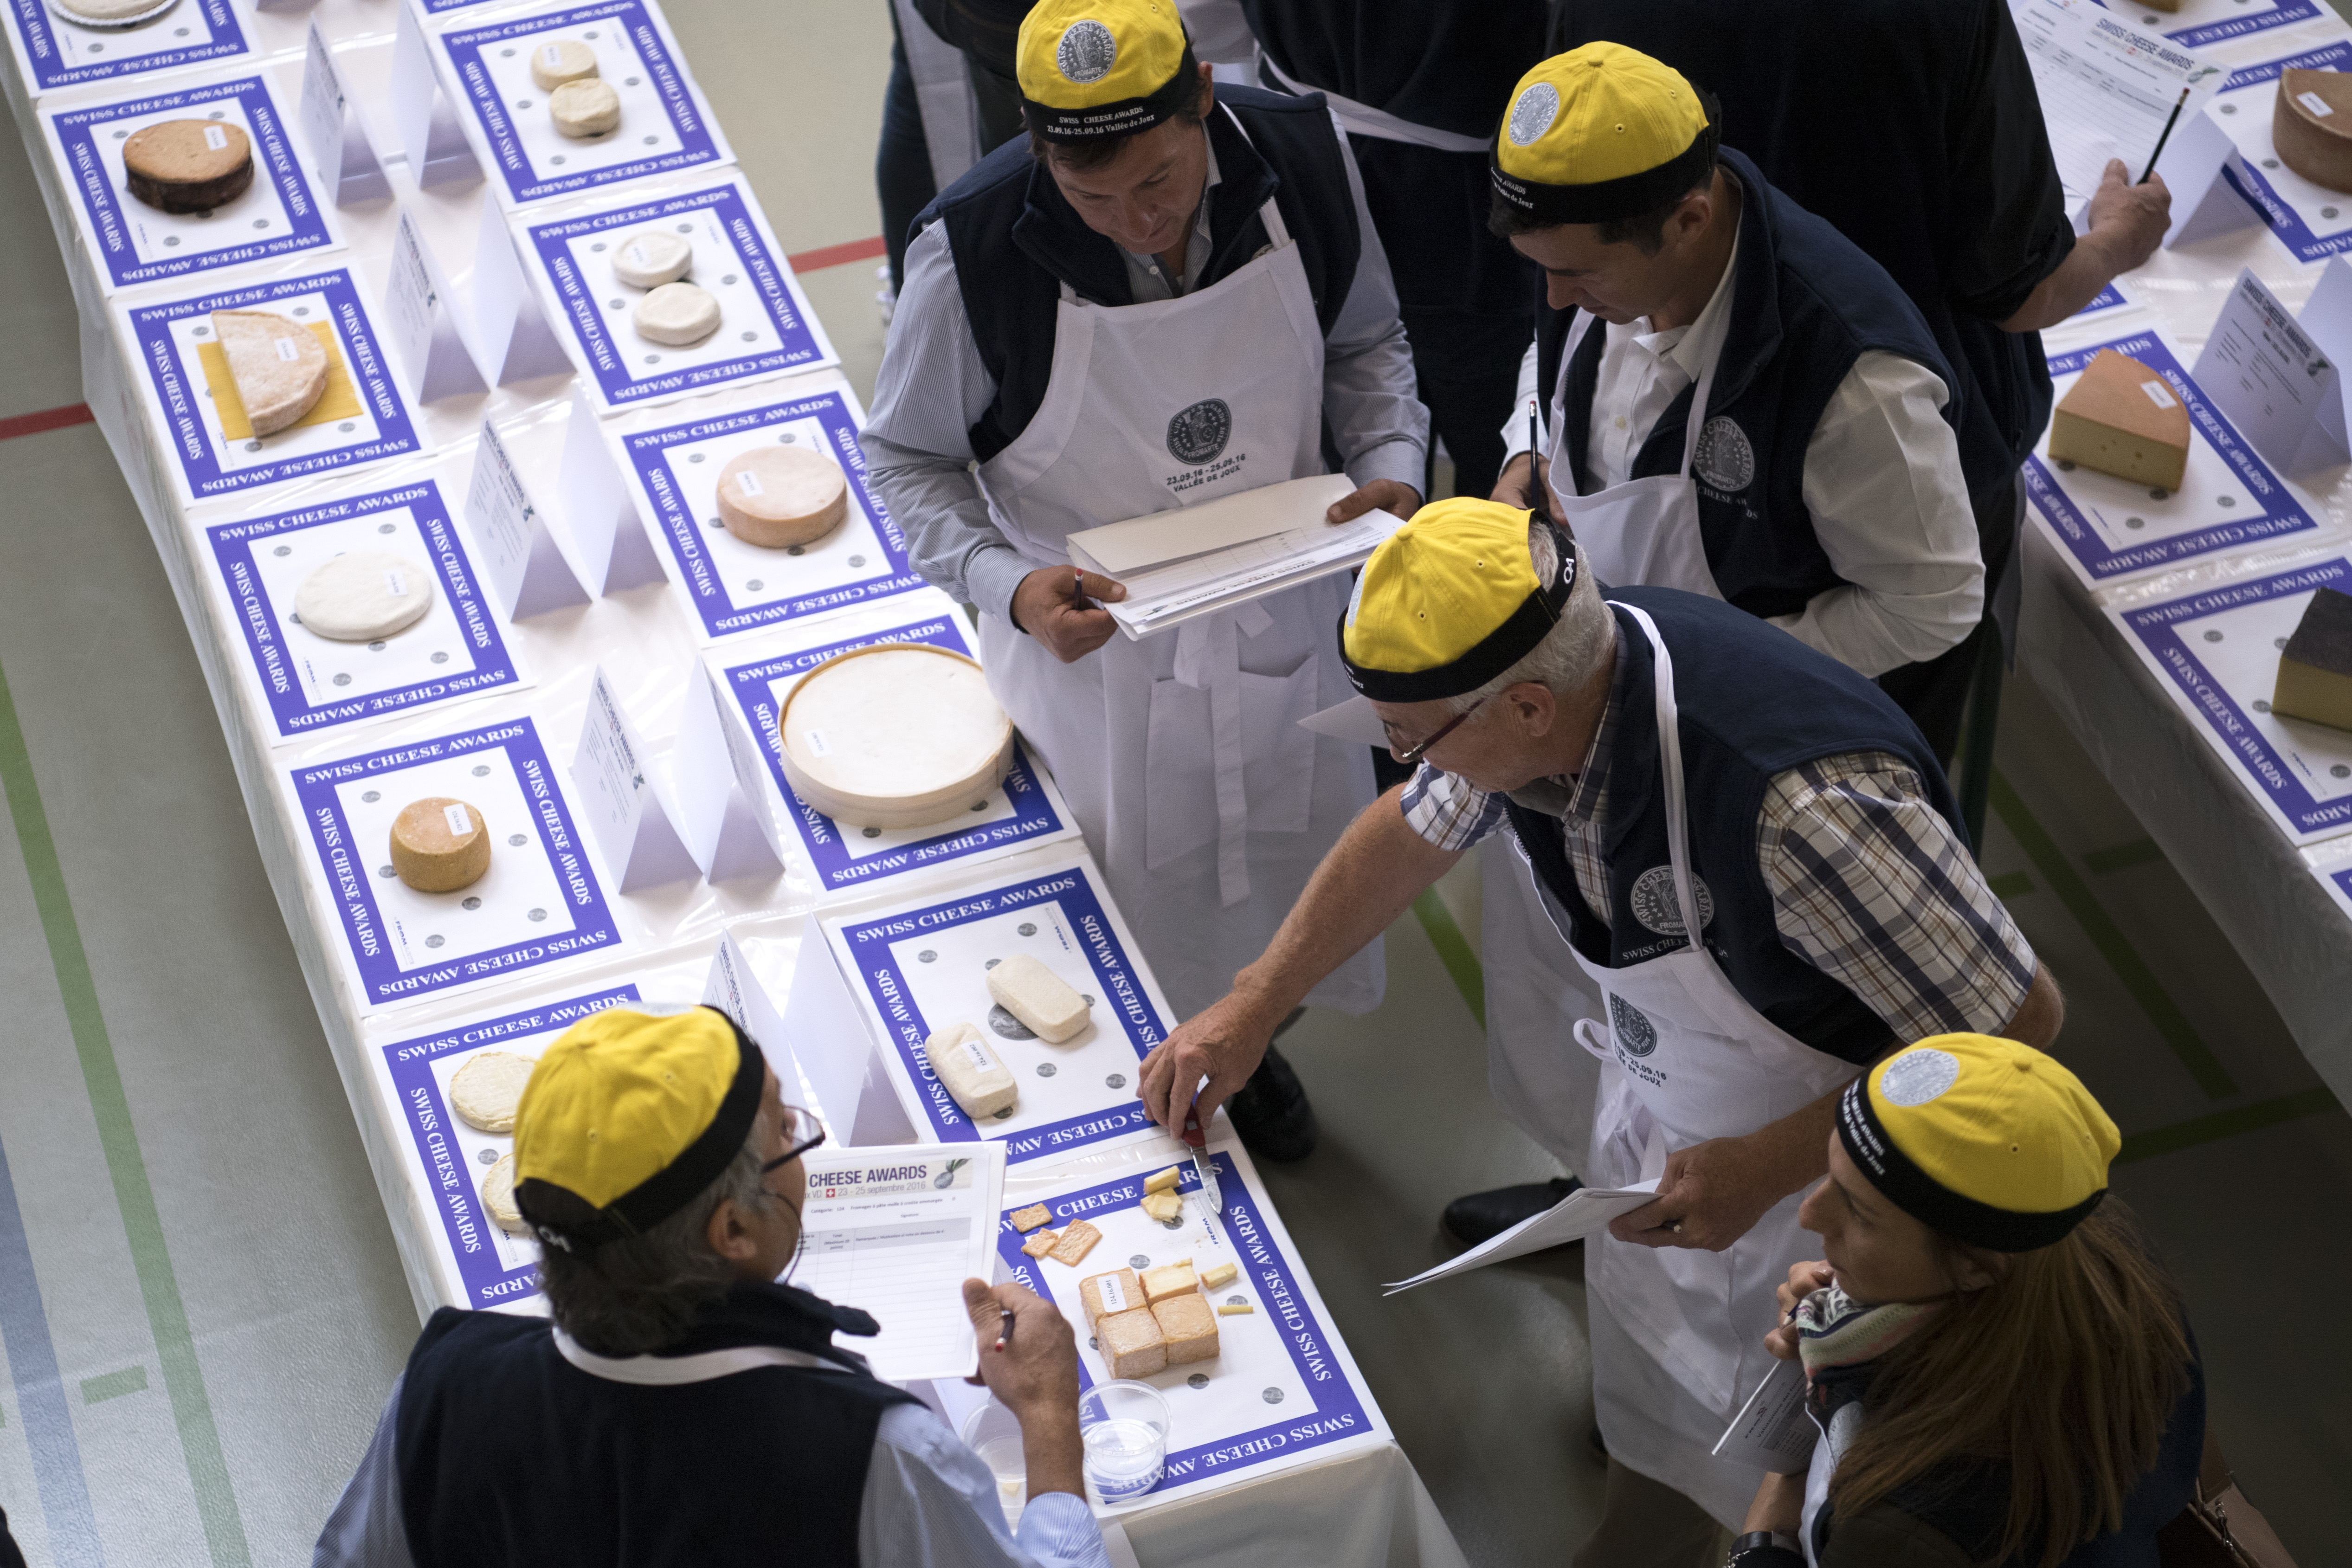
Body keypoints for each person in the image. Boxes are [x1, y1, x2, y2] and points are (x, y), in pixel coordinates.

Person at [1137, 497, 2061, 1564]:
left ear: (1527, 706)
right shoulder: (1549, 696)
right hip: (1671, 1118)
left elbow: (2015, 1021)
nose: (1399, 757)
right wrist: (1254, 1001)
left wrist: (1767, 1164)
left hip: (1822, 1188)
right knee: (1656, 1401)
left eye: (1409, 735)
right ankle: (1642, 1534)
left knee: (1779, 1450)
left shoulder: (1799, 807)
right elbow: (1410, 830)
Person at [1449, 42, 1994, 1249]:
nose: (1552, 298)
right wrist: (1522, 462)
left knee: (1722, 1028)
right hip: (1588, 711)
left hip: (1727, 756)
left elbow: (1933, 601)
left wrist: (1710, 666)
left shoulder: (1847, 373)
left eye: (1575, 272)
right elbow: (1543, 375)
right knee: (1590, 988)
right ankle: (1586, 1188)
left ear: (1688, 217)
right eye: (1538, 270)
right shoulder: (1594, 271)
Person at [862, 0, 1429, 1161]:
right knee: (1101, 926)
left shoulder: (1301, 162)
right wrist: (1007, 582)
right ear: (1038, 152)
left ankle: (1256, 1047)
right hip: (1092, 665)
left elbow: (1368, 342)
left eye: (1161, 180)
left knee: (1285, 876)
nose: (1141, 219)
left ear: (1204, 99)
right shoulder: (972, 249)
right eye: (1094, 197)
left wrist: (1391, 462)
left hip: (1285, 619)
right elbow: (905, 460)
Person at [1545, 0, 2172, 760]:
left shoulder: (1847, 359)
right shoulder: (1941, 17)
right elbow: (2021, 291)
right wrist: (2115, 240)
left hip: (1745, 451)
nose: (1555, 292)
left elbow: (1562, 209)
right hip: (1870, 475)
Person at [311, 1006, 1109, 1568]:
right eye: (786, 1128)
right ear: (732, 1231)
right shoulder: (876, 1452)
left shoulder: (440, 1383)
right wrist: (1048, 1420)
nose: (799, 1137)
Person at [1728, 1033, 2201, 1568]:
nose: (1809, 1214)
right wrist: (1851, 1326)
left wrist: (1765, 1529)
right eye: (1830, 1173)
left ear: (1975, 1267)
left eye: (1860, 1213)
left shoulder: (1903, 1526)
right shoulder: (2096, 1255)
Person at [1236, 0, 1547, 503]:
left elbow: (1209, 25)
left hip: (1340, 161)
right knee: (1455, 435)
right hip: (1445, 190)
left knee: (1489, 443)